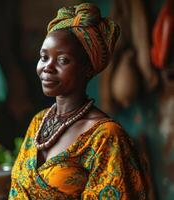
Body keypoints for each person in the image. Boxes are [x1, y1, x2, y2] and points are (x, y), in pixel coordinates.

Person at [9, 3, 147, 199]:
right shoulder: (38, 123)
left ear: (88, 68)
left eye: (63, 60)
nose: (48, 67)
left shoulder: (105, 137)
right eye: (44, 57)